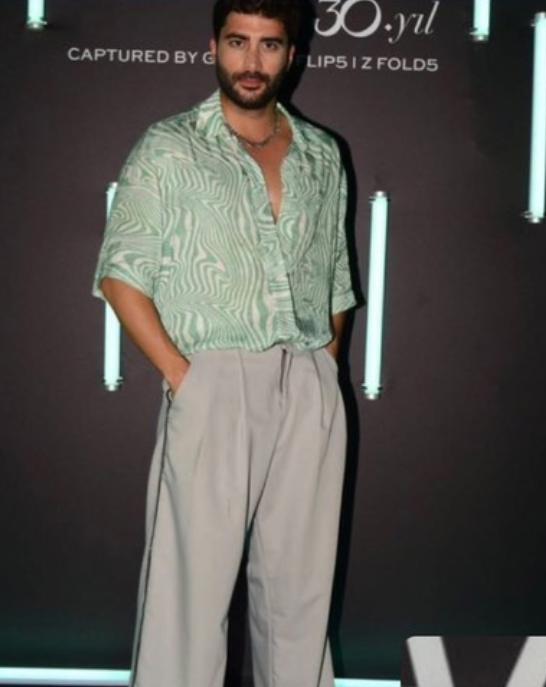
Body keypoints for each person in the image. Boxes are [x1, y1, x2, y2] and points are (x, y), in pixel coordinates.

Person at [92, 1, 357, 685]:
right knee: (188, 597)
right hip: (212, 380)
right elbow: (121, 274)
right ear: (214, 45)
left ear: (291, 54)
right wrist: (187, 379)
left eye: (269, 45)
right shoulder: (169, 146)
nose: (252, 61)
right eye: (239, 42)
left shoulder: (322, 154)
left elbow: (335, 281)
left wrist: (322, 374)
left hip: (307, 383)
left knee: (301, 599)